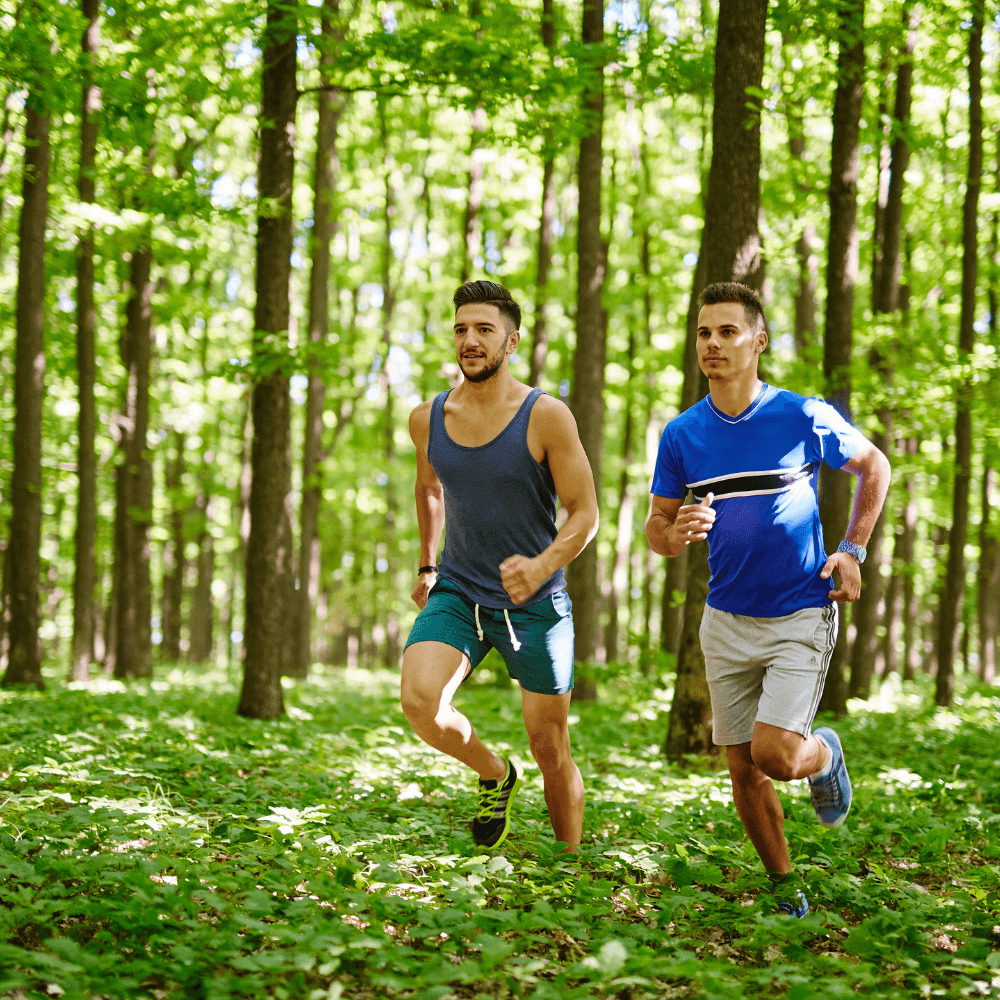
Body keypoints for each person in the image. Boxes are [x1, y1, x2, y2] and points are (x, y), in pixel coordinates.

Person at [646, 281, 891, 915]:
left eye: (728, 332)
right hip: (725, 619)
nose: (713, 344)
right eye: (704, 332)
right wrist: (673, 533)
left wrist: (853, 550)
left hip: (799, 612)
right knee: (742, 772)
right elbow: (657, 528)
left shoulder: (799, 415)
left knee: (776, 754)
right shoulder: (681, 435)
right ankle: (786, 889)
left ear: (759, 342)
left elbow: (874, 466)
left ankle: (823, 753)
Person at [400, 279, 599, 851]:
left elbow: (584, 512)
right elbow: (429, 487)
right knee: (419, 699)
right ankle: (493, 772)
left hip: (535, 604)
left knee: (550, 747)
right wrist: (426, 565)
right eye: (462, 329)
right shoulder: (427, 419)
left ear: (511, 341)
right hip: (460, 591)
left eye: (484, 329)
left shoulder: (546, 416)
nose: (470, 340)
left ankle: (569, 868)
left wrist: (542, 566)